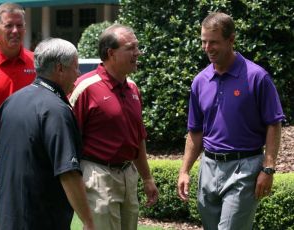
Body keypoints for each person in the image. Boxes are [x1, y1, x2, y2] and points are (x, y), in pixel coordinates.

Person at [177, 12, 285, 230]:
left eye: (214, 42)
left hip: (244, 169)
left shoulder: (257, 77)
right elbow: (195, 131)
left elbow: (273, 123)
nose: (207, 48)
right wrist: (185, 170)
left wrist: (268, 168)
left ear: (231, 39)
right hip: (209, 168)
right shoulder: (200, 81)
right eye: (204, 41)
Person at [0, 38, 95, 230]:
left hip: (10, 216)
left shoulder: (12, 102)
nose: (78, 73)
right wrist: (88, 221)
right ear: (60, 69)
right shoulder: (57, 110)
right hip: (41, 218)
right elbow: (68, 172)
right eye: (75, 67)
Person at [69, 24, 158, 230]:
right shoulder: (84, 88)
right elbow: (66, 138)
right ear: (111, 53)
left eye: (137, 47)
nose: (138, 53)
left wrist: (147, 177)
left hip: (128, 174)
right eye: (131, 48)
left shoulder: (133, 88)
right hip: (98, 175)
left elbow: (138, 138)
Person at [0, 3, 36, 229]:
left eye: (19, 26)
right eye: (9, 25)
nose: (15, 31)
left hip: (30, 156)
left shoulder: (36, 63)